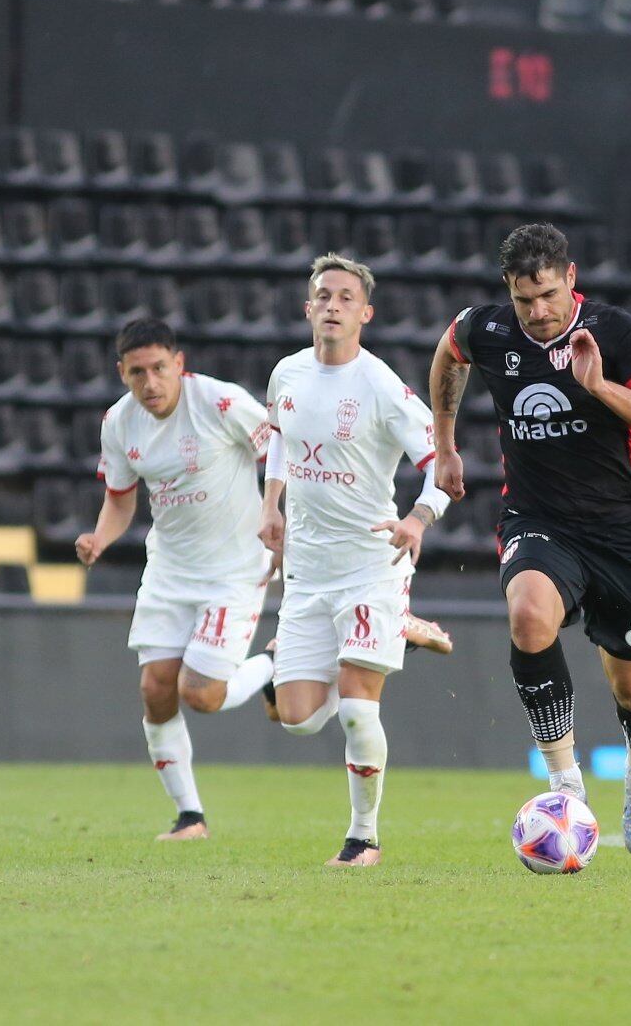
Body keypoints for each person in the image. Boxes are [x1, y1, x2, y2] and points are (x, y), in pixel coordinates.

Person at [428, 223, 631, 857]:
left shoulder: (616, 331)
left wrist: (597, 386)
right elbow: (450, 351)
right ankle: (564, 781)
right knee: (528, 615)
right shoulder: (487, 330)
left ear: (570, 280)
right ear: (508, 294)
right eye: (524, 300)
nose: (537, 313)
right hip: (538, 519)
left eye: (547, 295)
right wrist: (444, 443)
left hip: (620, 530)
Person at [259, 253, 451, 868]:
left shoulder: (382, 388)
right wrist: (272, 506)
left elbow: (444, 470)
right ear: (308, 307)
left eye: (346, 297)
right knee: (296, 720)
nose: (333, 305)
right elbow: (281, 442)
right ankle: (402, 631)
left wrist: (418, 519)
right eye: (324, 296)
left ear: (364, 313)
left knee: (357, 706)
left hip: (373, 562)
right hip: (308, 568)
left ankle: (362, 839)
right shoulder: (285, 374)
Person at [76, 318, 276, 841]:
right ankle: (190, 817)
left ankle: (274, 666)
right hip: (168, 570)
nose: (150, 383)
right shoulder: (119, 423)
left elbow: (282, 453)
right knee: (154, 688)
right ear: (122, 373)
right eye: (137, 372)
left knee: (202, 693)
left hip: (234, 570)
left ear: (179, 364)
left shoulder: (219, 402)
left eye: (159, 368)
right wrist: (100, 537)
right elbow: (120, 499)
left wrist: (280, 521)